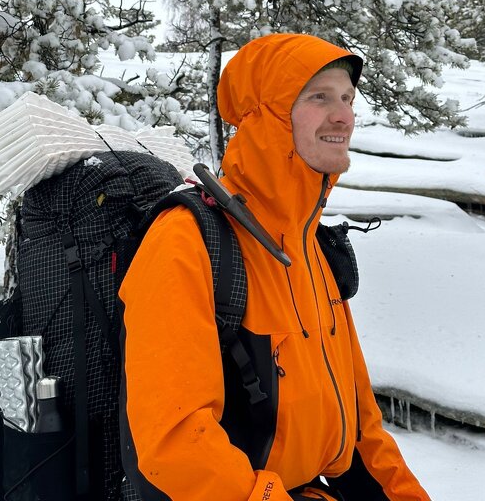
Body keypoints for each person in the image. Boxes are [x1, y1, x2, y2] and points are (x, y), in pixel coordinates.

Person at [119, 33, 431, 501]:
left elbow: (361, 429)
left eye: (347, 98)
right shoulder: (185, 241)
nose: (344, 114)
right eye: (319, 97)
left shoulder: (311, 248)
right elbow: (175, 441)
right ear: (267, 116)